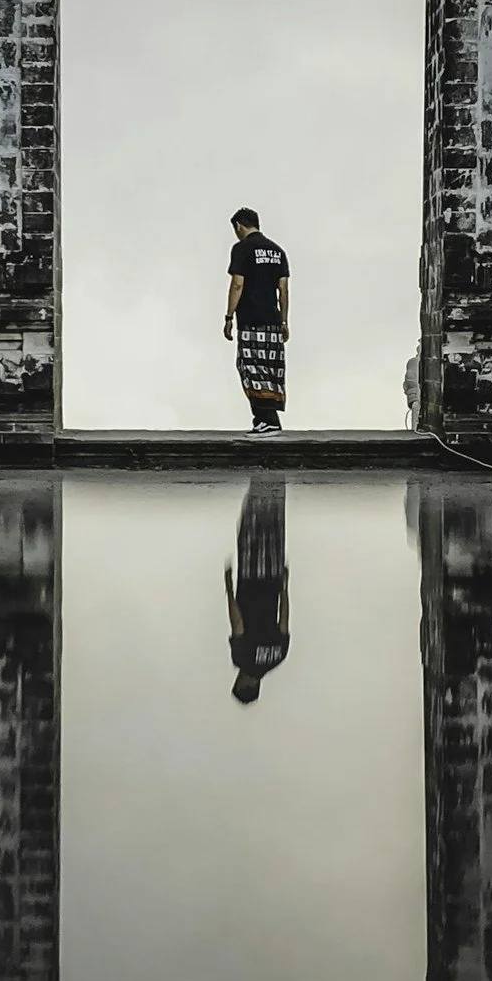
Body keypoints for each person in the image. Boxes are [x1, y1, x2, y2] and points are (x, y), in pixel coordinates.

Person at [223, 207, 289, 432]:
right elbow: (283, 290)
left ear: (239, 226)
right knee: (270, 368)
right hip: (272, 319)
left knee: (250, 366)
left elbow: (237, 284)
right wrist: (284, 322)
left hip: (251, 318)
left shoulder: (241, 249)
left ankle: (265, 420)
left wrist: (229, 316)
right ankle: (271, 419)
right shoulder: (278, 251)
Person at [224, 478, 289, 703]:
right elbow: (238, 623)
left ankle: (277, 481)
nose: (237, 679)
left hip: (272, 580)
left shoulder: (277, 657)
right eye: (238, 683)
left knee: (273, 527)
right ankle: (259, 478)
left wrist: (285, 587)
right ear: (247, 685)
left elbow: (284, 620)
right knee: (251, 528)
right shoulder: (242, 659)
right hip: (250, 580)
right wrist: (228, 586)